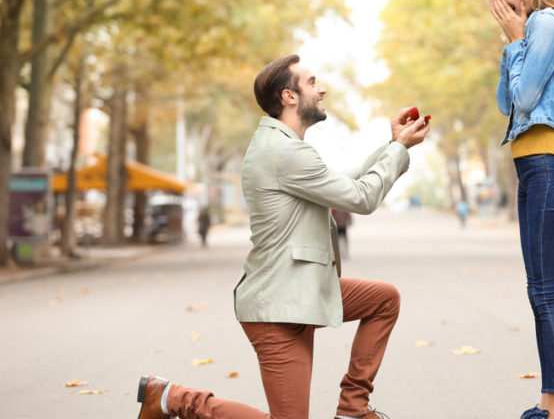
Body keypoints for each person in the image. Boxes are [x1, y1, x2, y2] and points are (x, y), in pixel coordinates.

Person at [135, 55, 430, 419]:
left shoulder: (286, 147)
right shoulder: (284, 152)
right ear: (289, 97)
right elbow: (361, 197)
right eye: (312, 83)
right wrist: (399, 151)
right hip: (276, 306)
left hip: (302, 291)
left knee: (384, 300)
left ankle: (353, 408)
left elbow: (345, 181)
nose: (321, 89)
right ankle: (171, 398)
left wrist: (392, 143)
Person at [486, 0, 554, 419]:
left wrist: (517, 41)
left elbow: (525, 97)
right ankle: (548, 403)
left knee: (550, 294)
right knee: (538, 292)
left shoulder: (544, 22)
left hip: (550, 165)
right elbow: (507, 102)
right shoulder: (528, 33)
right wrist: (513, 47)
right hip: (533, 168)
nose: (500, 0)